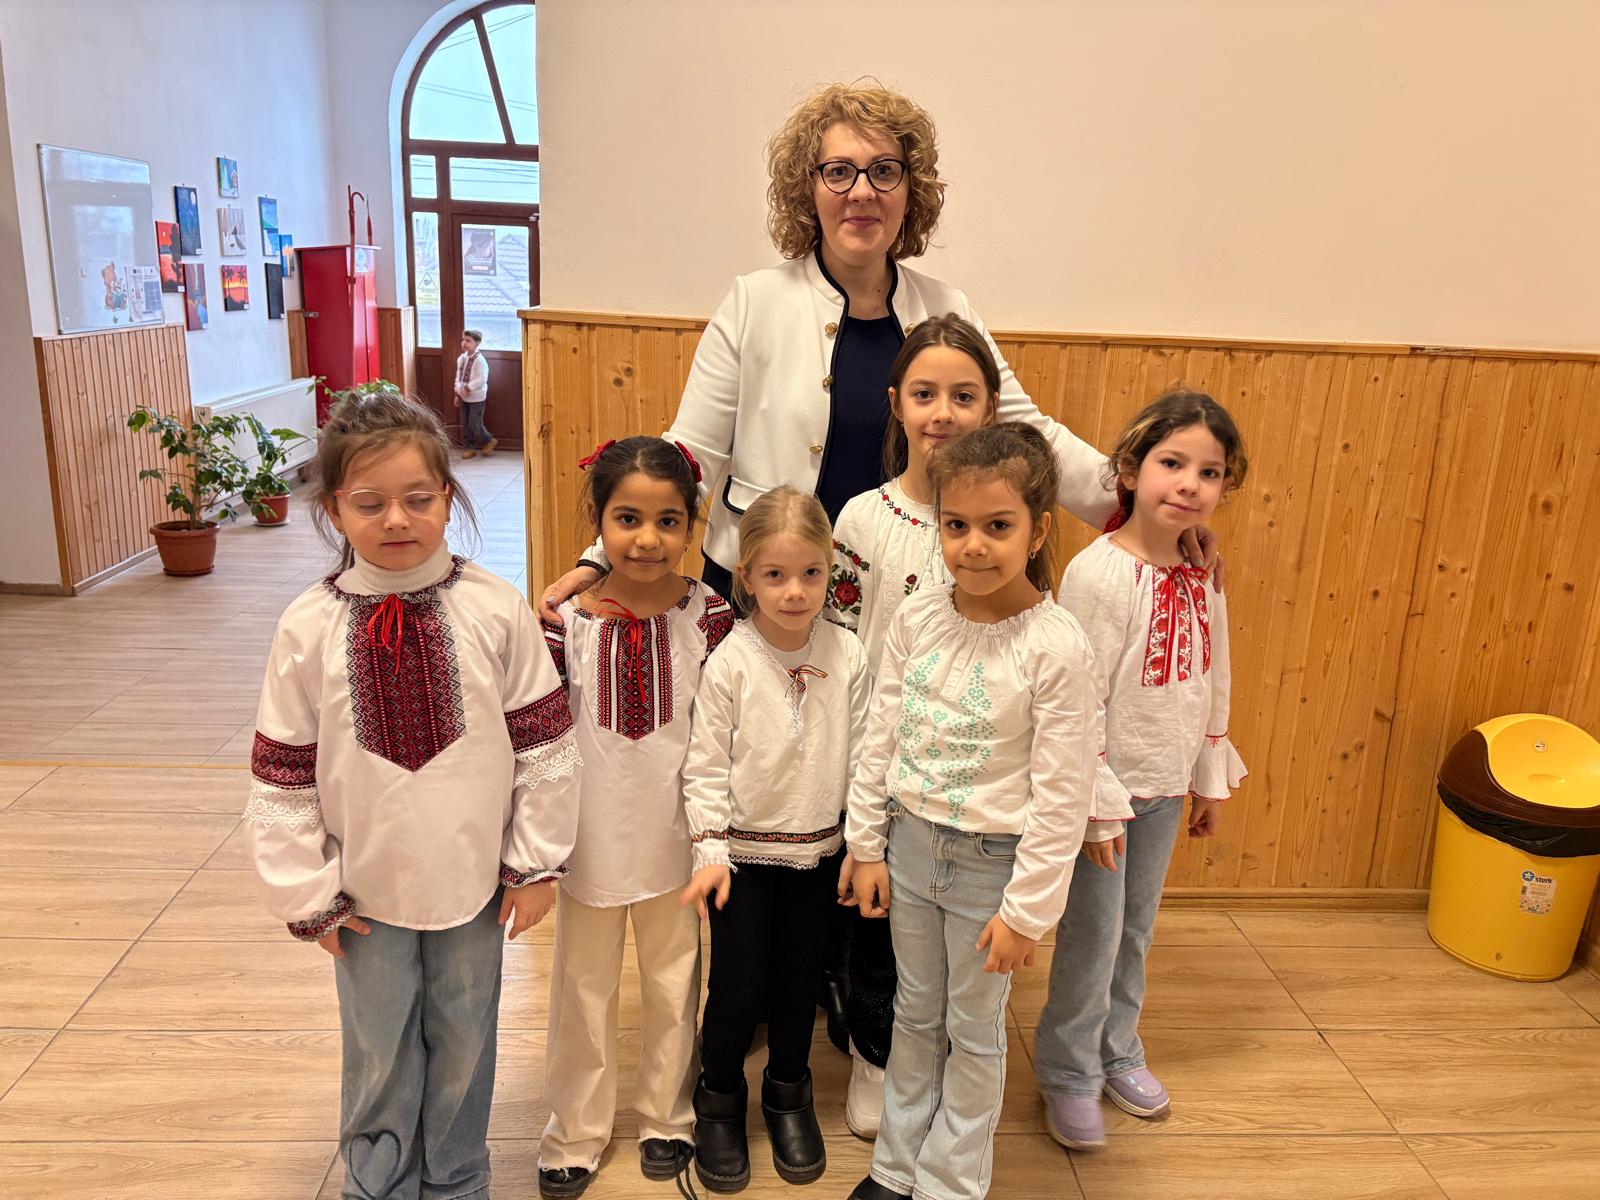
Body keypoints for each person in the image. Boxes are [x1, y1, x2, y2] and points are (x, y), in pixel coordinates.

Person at [243, 387, 579, 1200]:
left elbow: (545, 745)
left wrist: (534, 864)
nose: (397, 519)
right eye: (370, 503)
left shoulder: (494, 608)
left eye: (418, 499)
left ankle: (458, 1177)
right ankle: (378, 1180)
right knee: (378, 1045)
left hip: (475, 884)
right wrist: (308, 894)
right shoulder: (307, 626)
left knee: (465, 1037)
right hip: (364, 891)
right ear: (334, 509)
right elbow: (283, 772)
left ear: (448, 498)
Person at [841, 423, 1098, 1200]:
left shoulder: (1056, 645)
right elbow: (881, 733)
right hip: (911, 848)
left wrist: (1028, 912)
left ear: (1037, 531)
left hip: (994, 868)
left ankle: (950, 1181)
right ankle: (897, 1165)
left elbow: (1063, 796)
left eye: (998, 526)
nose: (974, 546)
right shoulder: (919, 617)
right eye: (956, 525)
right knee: (915, 1013)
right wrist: (866, 845)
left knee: (973, 1028)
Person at [1033, 391, 1249, 1150]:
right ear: (1129, 469)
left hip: (1164, 784)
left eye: (1209, 472)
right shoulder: (1099, 574)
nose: (1189, 484)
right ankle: (1067, 1070)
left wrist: (1206, 776)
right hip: (1105, 796)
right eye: (1172, 463)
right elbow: (1079, 698)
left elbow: (1213, 673)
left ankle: (1117, 1047)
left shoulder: (1201, 569)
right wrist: (1094, 805)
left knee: (1135, 930)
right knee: (1092, 934)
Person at [823, 312, 1009, 1135]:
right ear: (896, 402)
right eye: (926, 393)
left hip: (967, 777)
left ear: (990, 408)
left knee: (951, 936)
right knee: (877, 926)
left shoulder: (1005, 521)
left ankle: (945, 1065)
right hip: (879, 763)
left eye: (964, 396)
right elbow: (836, 637)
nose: (943, 412)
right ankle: (876, 1057)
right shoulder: (863, 518)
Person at [536, 437, 735, 1199]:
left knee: (673, 981)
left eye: (668, 521)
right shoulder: (564, 620)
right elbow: (539, 738)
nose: (647, 539)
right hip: (586, 838)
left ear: (692, 525)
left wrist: (713, 835)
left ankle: (667, 1118)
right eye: (628, 519)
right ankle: (574, 1131)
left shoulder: (710, 616)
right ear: (597, 519)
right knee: (581, 988)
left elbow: (723, 735)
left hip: (678, 838)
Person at [680, 486, 871, 1193]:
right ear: (747, 576)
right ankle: (719, 1099)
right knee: (736, 985)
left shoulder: (847, 652)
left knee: (798, 981)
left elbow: (866, 756)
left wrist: (862, 845)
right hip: (742, 861)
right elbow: (704, 765)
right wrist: (709, 851)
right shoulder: (731, 660)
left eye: (810, 574)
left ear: (830, 570)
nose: (794, 591)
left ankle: (789, 1094)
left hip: (819, 856)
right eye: (775, 575)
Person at [454, 328, 495, 457]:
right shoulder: (461, 359)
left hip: (477, 397)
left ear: (477, 343)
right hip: (463, 397)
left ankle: (488, 440)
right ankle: (469, 448)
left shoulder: (480, 360)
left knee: (474, 424)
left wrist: (468, 388)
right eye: (463, 340)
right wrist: (457, 393)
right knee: (466, 425)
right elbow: (459, 377)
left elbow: (482, 379)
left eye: (468, 341)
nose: (464, 343)